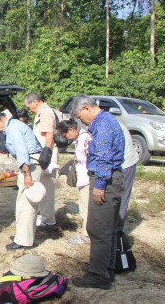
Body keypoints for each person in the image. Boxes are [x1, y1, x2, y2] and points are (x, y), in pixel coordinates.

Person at [69, 94, 125, 290]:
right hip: (112, 178)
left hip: (106, 180)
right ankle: (105, 268)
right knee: (107, 228)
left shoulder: (102, 125)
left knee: (98, 228)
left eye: (80, 116)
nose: (81, 121)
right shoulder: (107, 120)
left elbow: (102, 156)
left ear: (86, 108)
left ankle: (98, 275)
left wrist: (99, 185)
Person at [0, 111, 43, 250]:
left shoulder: (12, 128)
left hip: (30, 165)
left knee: (26, 204)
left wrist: (26, 174)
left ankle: (24, 240)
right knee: (22, 202)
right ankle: (23, 235)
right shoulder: (14, 125)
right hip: (29, 164)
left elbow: (22, 151)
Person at [24, 93, 58, 227]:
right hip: (43, 153)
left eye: (29, 106)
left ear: (35, 102)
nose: (29, 110)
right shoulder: (42, 112)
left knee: (47, 186)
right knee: (43, 184)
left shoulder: (45, 112)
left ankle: (48, 218)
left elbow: (48, 134)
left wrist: (46, 153)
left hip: (46, 154)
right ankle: (45, 215)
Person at [57, 118, 91, 245]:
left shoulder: (84, 138)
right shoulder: (81, 138)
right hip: (84, 178)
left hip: (87, 179)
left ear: (71, 130)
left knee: (85, 210)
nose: (65, 138)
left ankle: (86, 236)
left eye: (65, 134)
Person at [118, 123, 138, 233]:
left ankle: (118, 232)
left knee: (121, 198)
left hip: (125, 164)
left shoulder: (106, 124)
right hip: (118, 164)